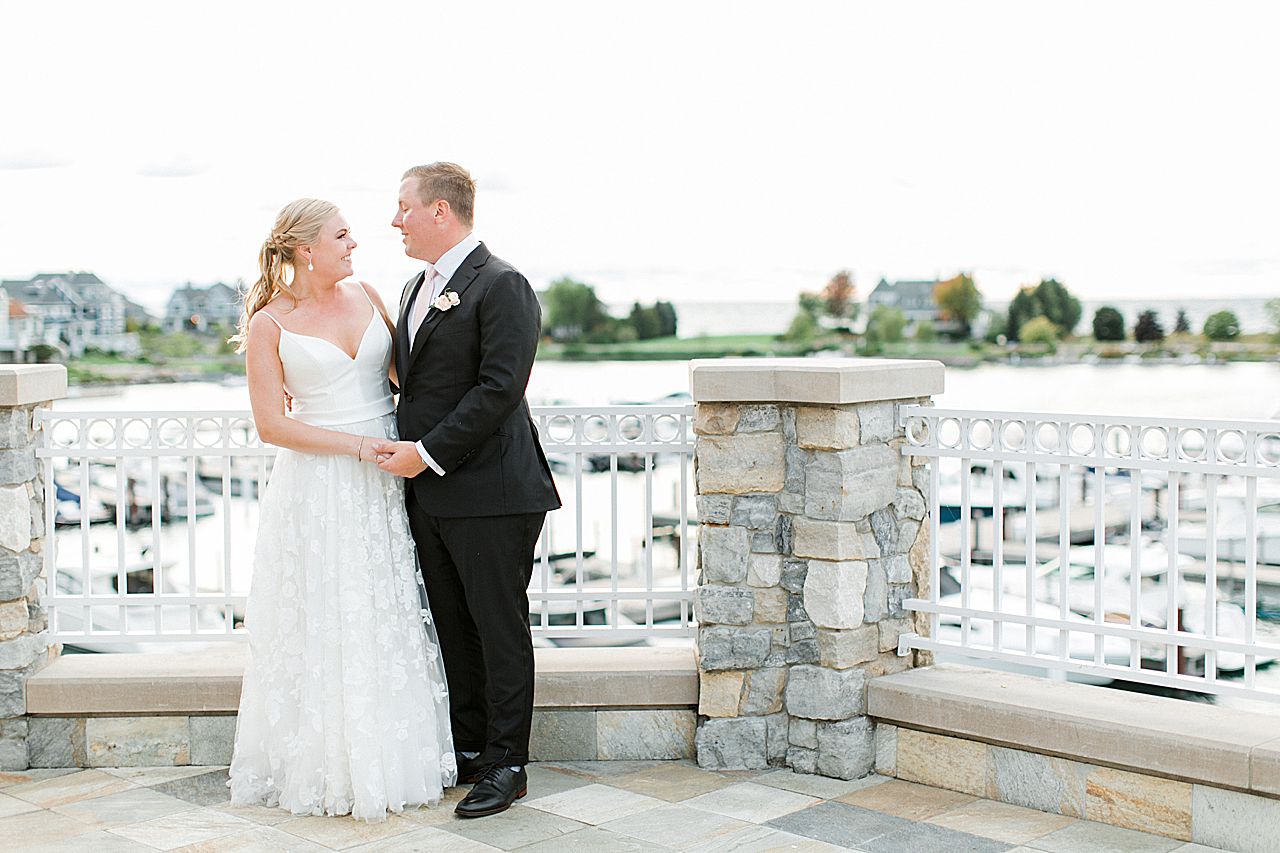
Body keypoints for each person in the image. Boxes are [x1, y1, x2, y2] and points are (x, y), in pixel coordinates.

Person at [227, 198, 455, 821]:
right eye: (342, 235)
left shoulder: (373, 295)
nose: (355, 244)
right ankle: (329, 766)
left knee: (384, 607)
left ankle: (393, 757)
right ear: (306, 249)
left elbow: (407, 380)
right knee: (327, 613)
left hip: (386, 478)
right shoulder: (271, 324)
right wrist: (356, 446)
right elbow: (272, 426)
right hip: (321, 484)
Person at [371, 163, 561, 818]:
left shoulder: (502, 284)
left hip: (495, 491)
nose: (394, 219)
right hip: (431, 494)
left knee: (498, 628)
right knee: (453, 626)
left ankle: (509, 762)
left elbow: (499, 388)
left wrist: (424, 453)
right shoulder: (411, 287)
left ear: (440, 213)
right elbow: (415, 380)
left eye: (403, 207)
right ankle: (473, 745)